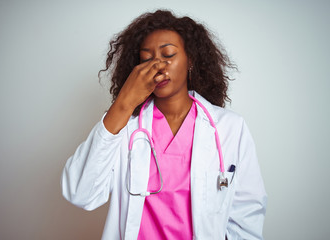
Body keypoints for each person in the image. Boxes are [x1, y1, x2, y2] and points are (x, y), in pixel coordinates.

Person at [61, 9, 267, 240]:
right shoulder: (124, 126)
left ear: (190, 59)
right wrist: (123, 104)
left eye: (168, 55)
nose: (157, 67)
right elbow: (80, 193)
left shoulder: (229, 128)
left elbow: (246, 214)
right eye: (147, 59)